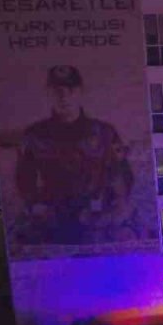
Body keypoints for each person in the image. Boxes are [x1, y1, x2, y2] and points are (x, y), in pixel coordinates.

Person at [15, 65, 139, 246]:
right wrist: (35, 207)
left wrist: (114, 208)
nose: (64, 96)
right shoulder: (34, 136)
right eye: (57, 90)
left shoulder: (104, 133)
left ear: (81, 92)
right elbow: (24, 180)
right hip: (52, 224)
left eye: (70, 89)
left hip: (96, 222)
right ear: (48, 93)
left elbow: (122, 176)